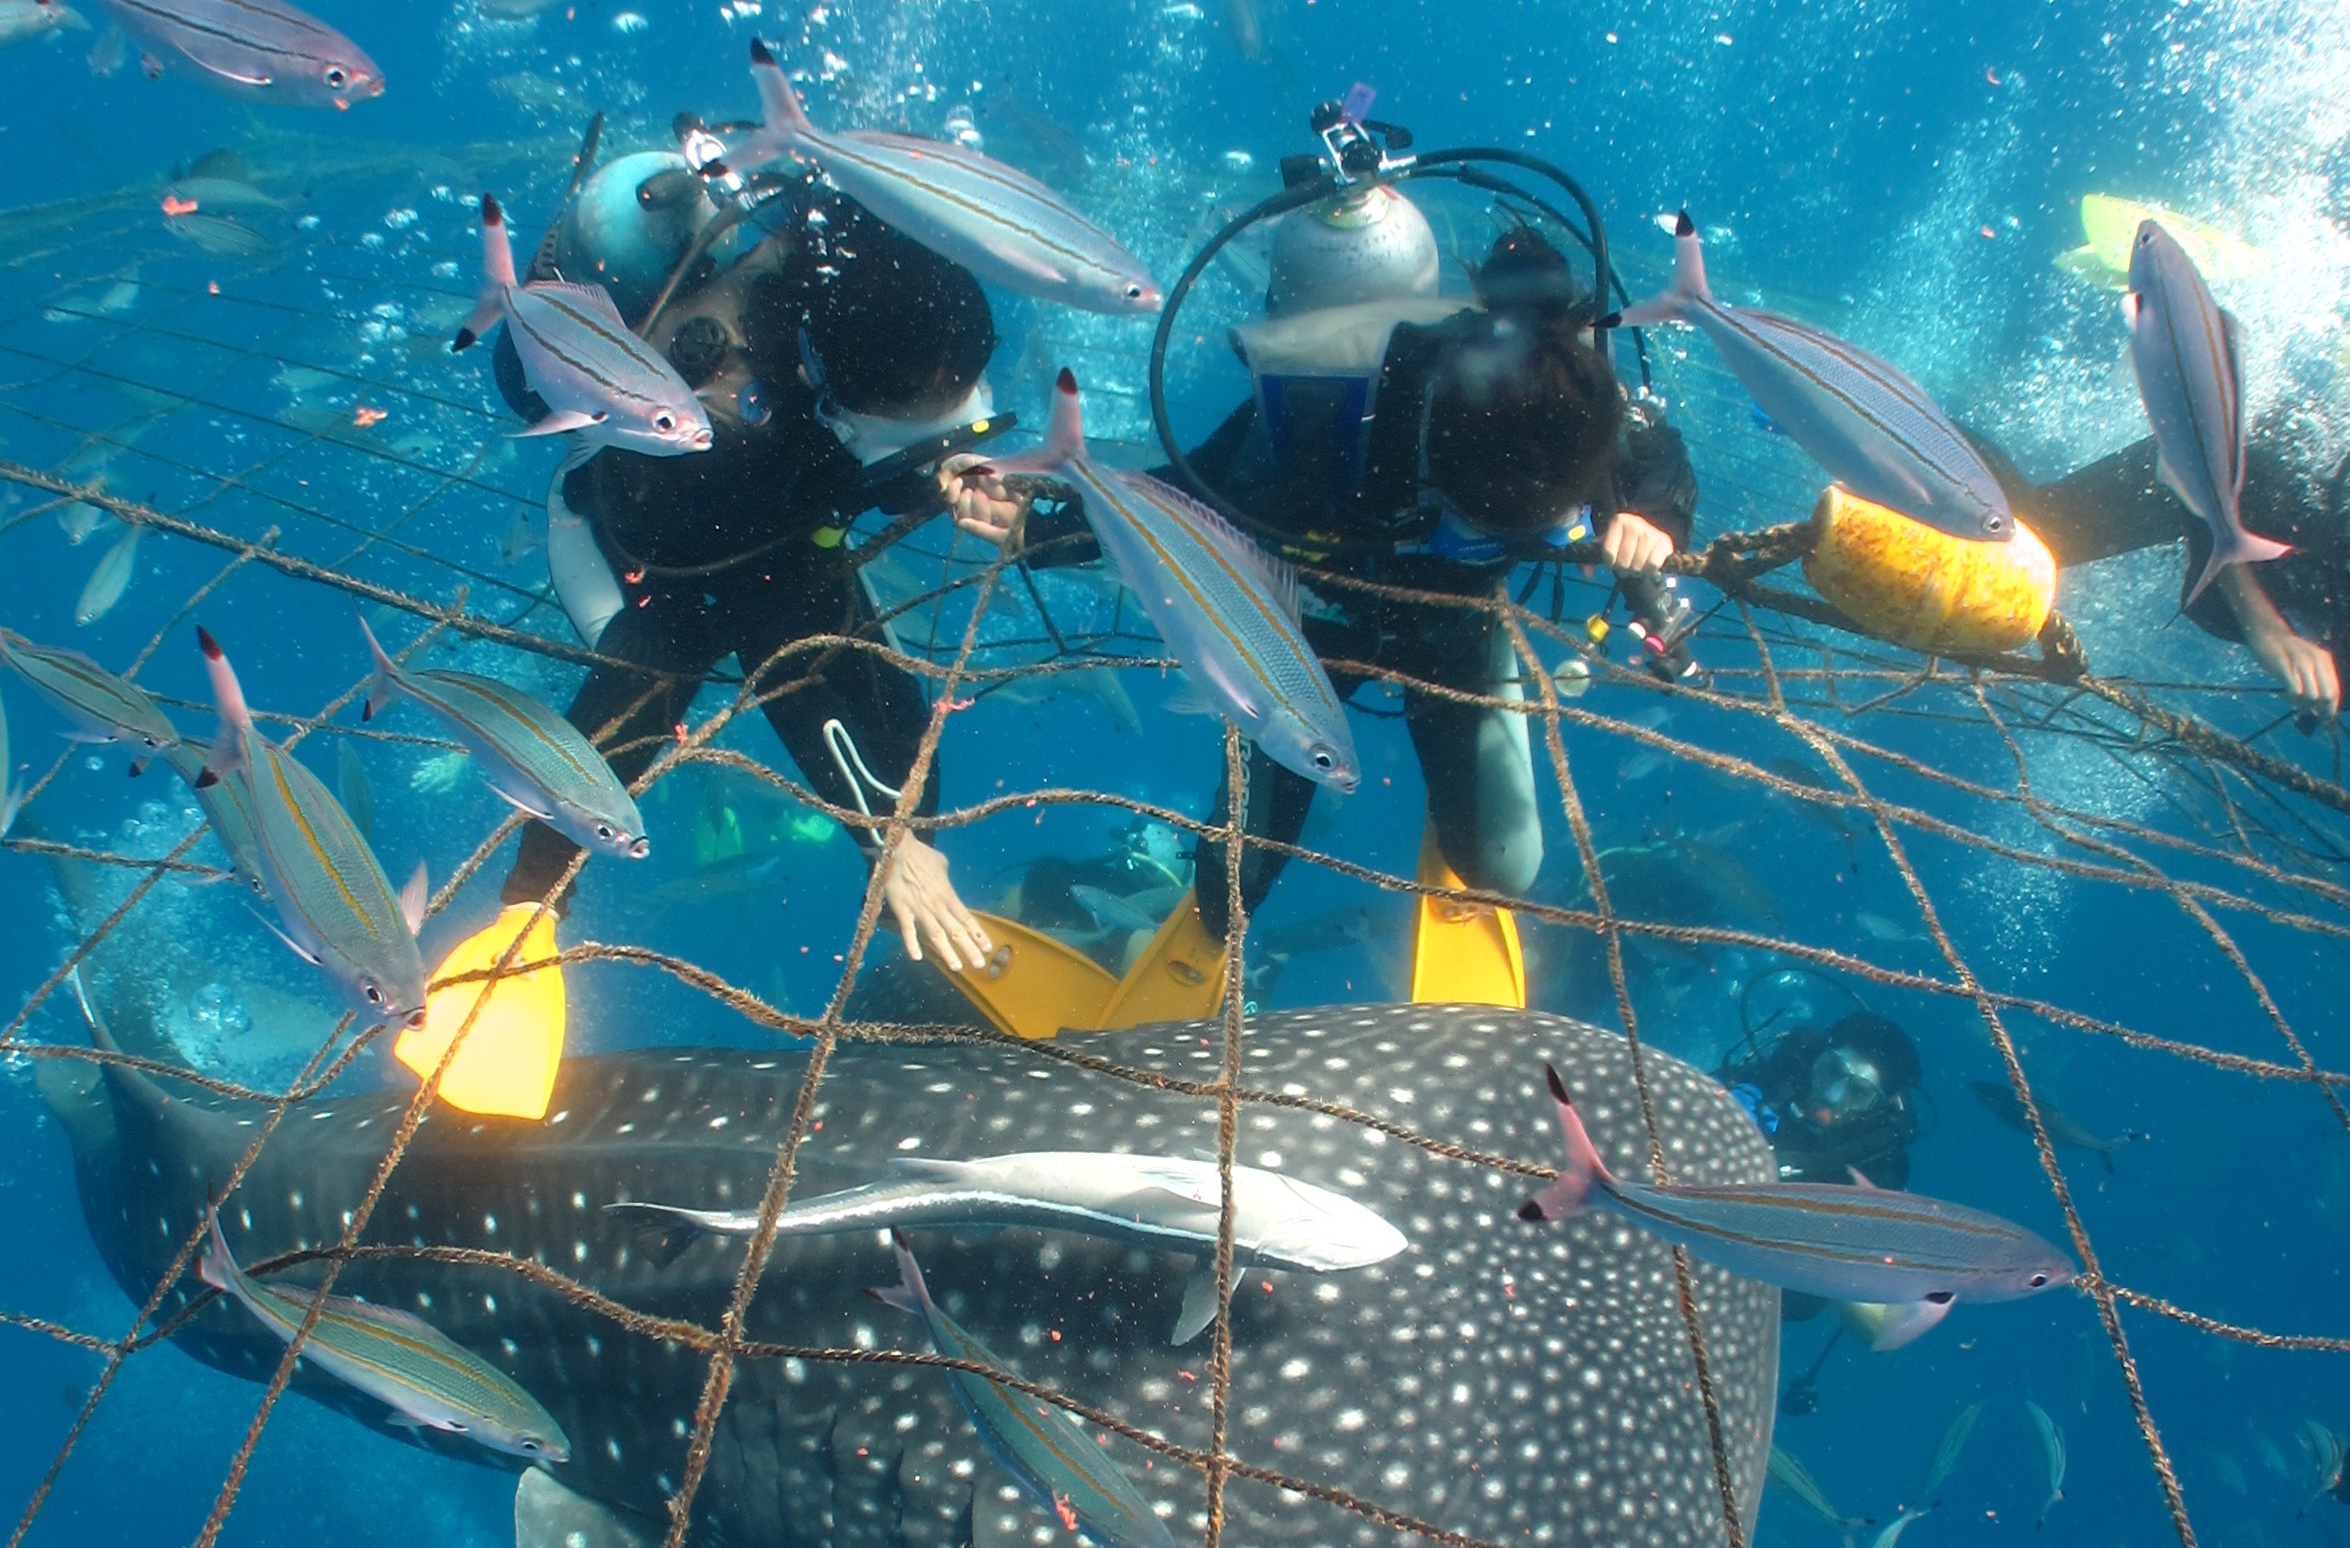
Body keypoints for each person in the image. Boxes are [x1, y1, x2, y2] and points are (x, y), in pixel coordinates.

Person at [941, 170, 1697, 1013]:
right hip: (1305, 638)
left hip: (1456, 634)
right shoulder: (1327, 426)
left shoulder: (1580, 403)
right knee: (1226, 889)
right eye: (1461, 519)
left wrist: (1657, 519)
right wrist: (1043, 529)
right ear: (1430, 463)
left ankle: (1456, 794)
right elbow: (1186, 505)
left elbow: (1659, 457)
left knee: (1505, 868)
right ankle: (1160, 884)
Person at [484, 122, 1002, 976]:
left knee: (904, 759)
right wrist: (886, 835)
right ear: (832, 389)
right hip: (672, 533)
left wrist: (946, 467)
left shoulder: (860, 274)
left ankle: (905, 861)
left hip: (781, 492)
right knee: (661, 665)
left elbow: (881, 438)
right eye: (914, 416)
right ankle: (527, 903)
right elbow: (777, 643)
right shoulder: (728, 435)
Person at [1996, 373, 2350, 807]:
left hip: (2254, 536)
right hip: (2222, 470)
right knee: (2019, 531)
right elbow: (2214, 465)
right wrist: (2268, 630)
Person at [1716, 997, 1924, 1188]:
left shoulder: (1879, 1173)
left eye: (1859, 1093)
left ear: (1875, 1111)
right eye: (1832, 1070)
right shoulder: (1773, 1079)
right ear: (1816, 1060)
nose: (1832, 1096)